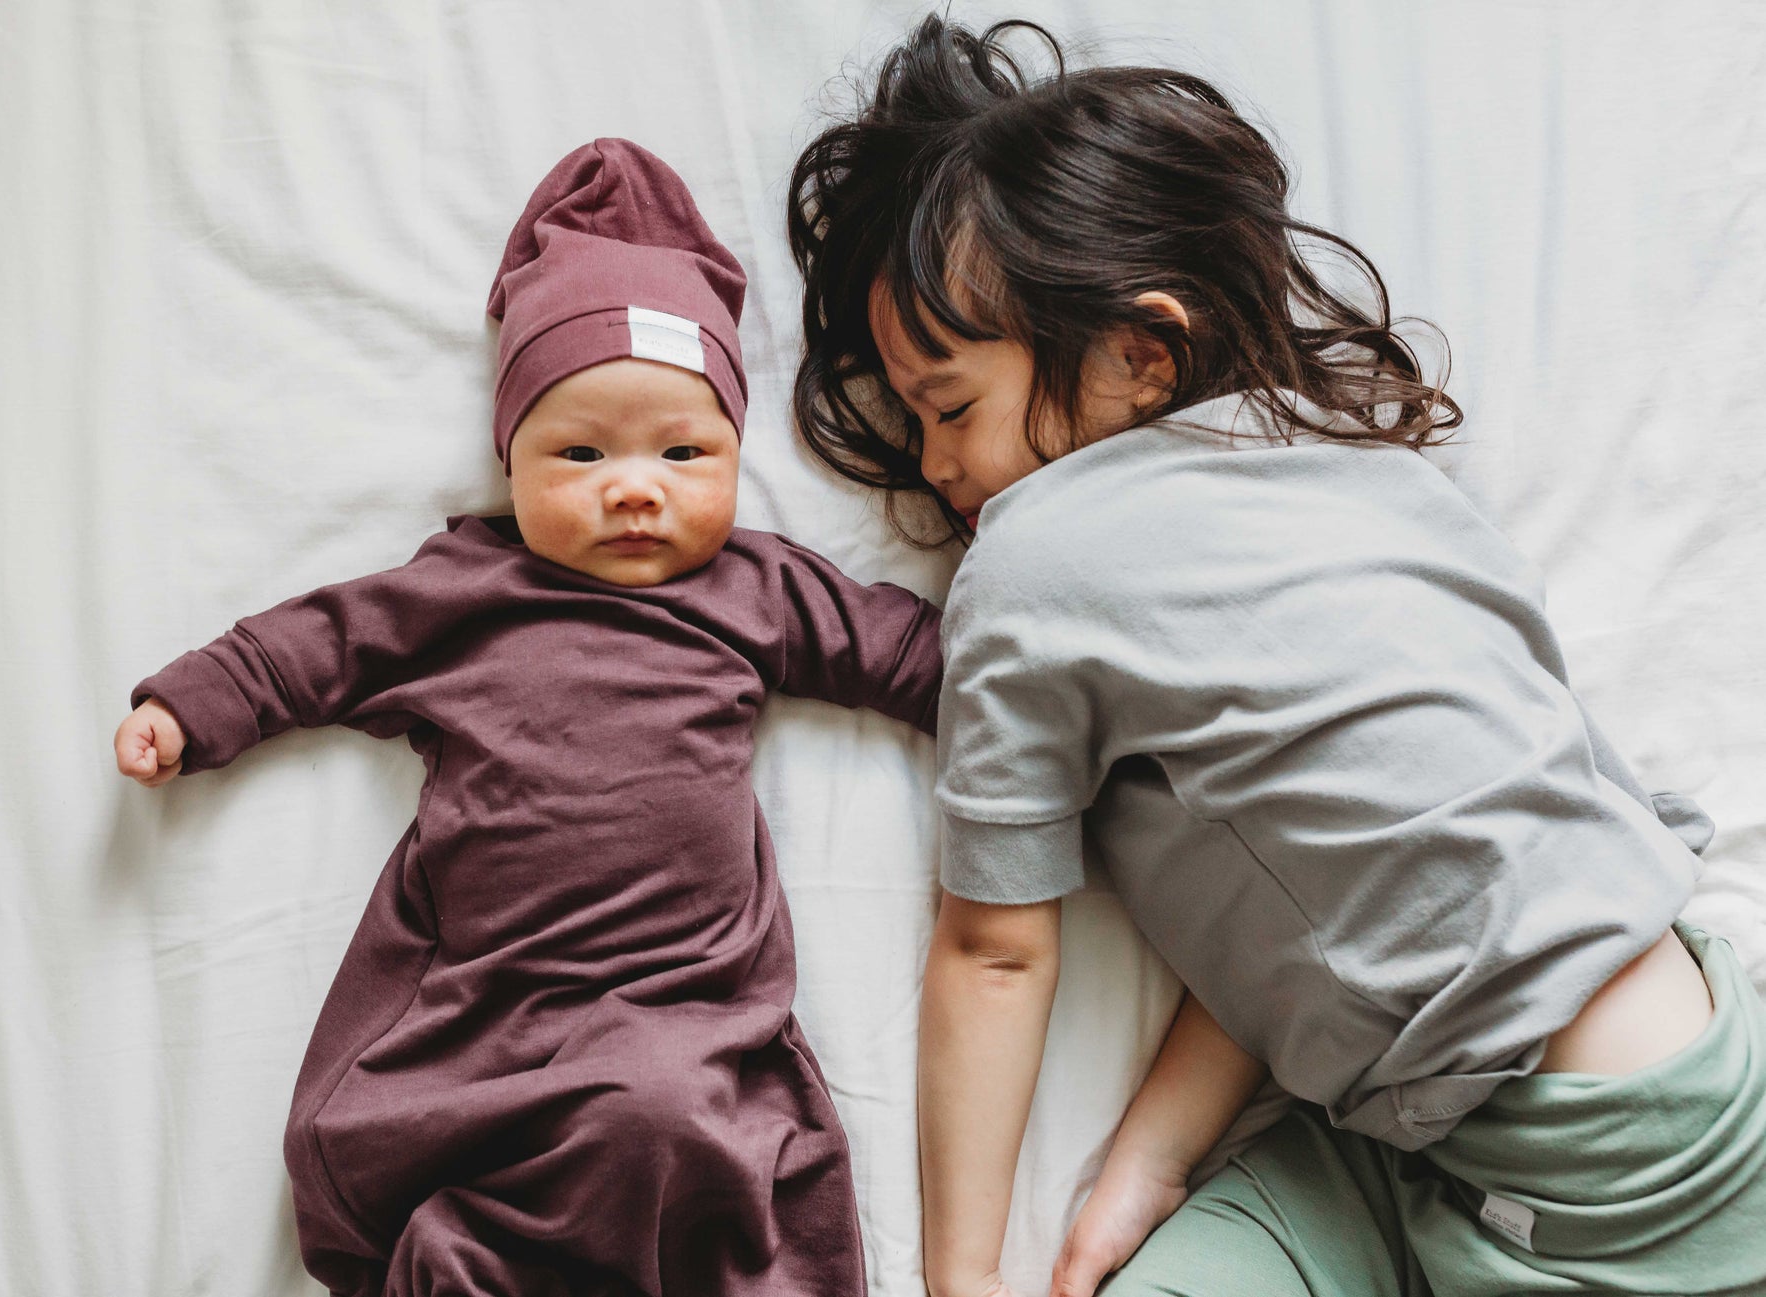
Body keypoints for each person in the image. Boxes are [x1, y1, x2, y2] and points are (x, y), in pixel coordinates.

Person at [785, 16, 1766, 1297]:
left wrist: (958, 1281)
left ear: (1137, 356)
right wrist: (1147, 1161)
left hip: (1593, 1169)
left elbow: (996, 950)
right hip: (1594, 1080)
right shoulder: (1375, 477)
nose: (929, 464)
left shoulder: (1033, 556)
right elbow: (1307, 909)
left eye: (948, 406)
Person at [114, 138, 941, 1297]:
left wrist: (1036, 710)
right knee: (415, 1151)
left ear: (733, 457)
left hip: (678, 993)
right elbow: (315, 642)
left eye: (683, 451)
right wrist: (190, 708)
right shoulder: (464, 588)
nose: (633, 484)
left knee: (660, 1115)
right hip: (494, 998)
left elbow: (904, 651)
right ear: (511, 458)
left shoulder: (754, 589)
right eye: (581, 451)